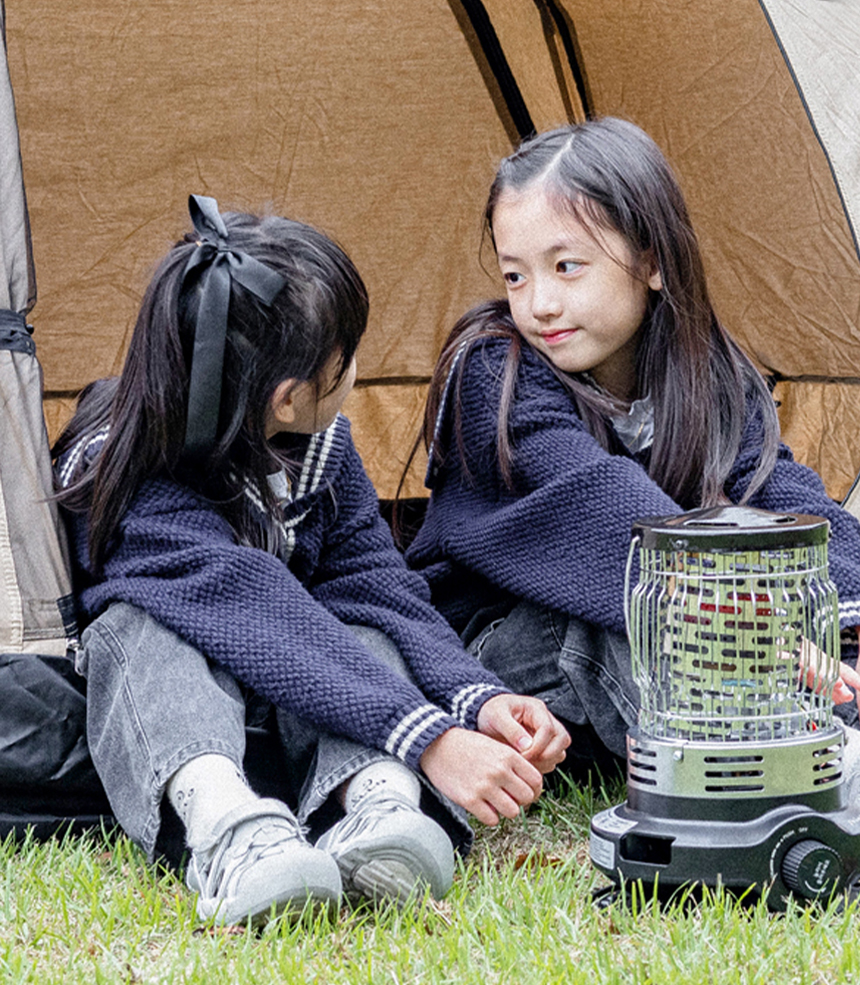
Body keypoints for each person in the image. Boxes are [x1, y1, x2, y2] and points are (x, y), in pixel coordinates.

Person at [406, 117, 860, 863]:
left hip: (689, 650)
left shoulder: (708, 374)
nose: (541, 305)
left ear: (651, 263)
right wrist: (756, 620)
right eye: (516, 274)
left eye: (567, 267)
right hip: (507, 659)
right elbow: (599, 507)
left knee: (845, 617)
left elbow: (787, 495)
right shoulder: (491, 372)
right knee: (642, 608)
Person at [54, 195, 569, 927]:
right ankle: (234, 833)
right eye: (348, 358)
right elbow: (254, 606)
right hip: (175, 722)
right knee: (142, 629)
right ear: (289, 397)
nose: (359, 369)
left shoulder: (321, 450)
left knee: (355, 628)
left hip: (295, 699)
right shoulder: (122, 471)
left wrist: (472, 698)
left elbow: (378, 587)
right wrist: (430, 736)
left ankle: (377, 804)